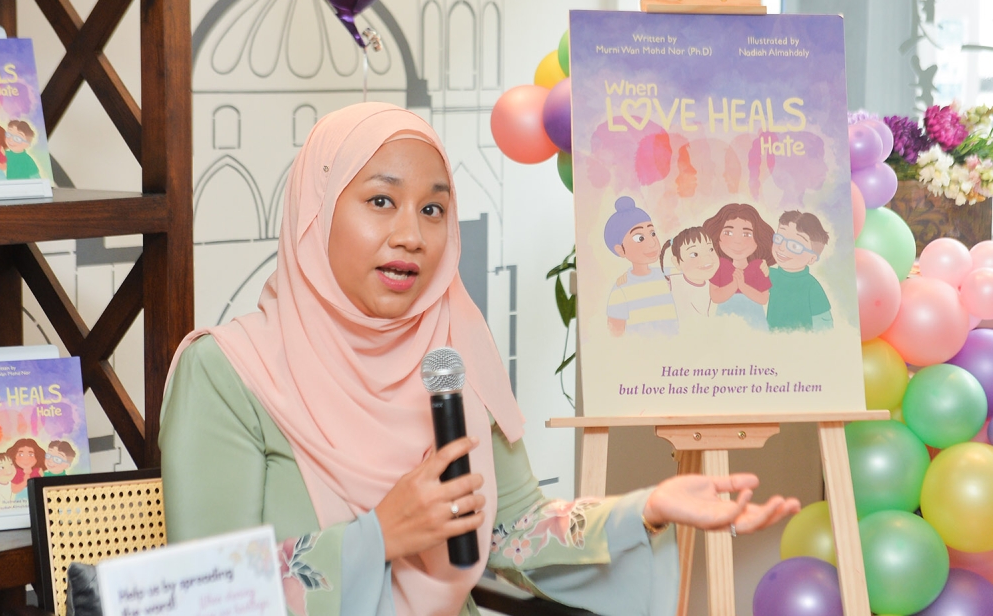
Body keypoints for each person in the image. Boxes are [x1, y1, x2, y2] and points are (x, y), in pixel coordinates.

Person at [159, 103, 800, 616]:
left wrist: (648, 507)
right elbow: (203, 594)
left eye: (433, 208)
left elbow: (513, 532)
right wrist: (379, 536)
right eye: (381, 200)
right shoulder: (227, 372)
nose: (411, 233)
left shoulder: (452, 353)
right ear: (314, 216)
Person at [603, 197, 678, 337]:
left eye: (653, 233)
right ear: (620, 250)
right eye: (639, 238)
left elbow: (694, 274)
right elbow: (615, 335)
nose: (652, 243)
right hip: (641, 354)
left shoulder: (666, 274)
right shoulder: (621, 290)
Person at [702, 203, 775, 331]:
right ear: (717, 236)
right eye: (728, 233)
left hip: (755, 323)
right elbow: (715, 297)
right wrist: (734, 285)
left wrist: (743, 286)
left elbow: (764, 299)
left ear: (758, 238)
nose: (737, 241)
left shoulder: (758, 266)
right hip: (725, 323)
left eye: (746, 234)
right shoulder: (720, 265)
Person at [766, 210, 833, 331]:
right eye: (779, 239)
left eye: (795, 246)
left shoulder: (812, 287)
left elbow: (824, 323)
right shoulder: (770, 274)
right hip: (771, 342)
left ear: (812, 258)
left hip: (802, 344)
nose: (781, 247)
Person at [659, 227, 719, 324]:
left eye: (710, 249)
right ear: (677, 262)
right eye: (694, 254)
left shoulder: (715, 287)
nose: (707, 257)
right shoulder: (672, 282)